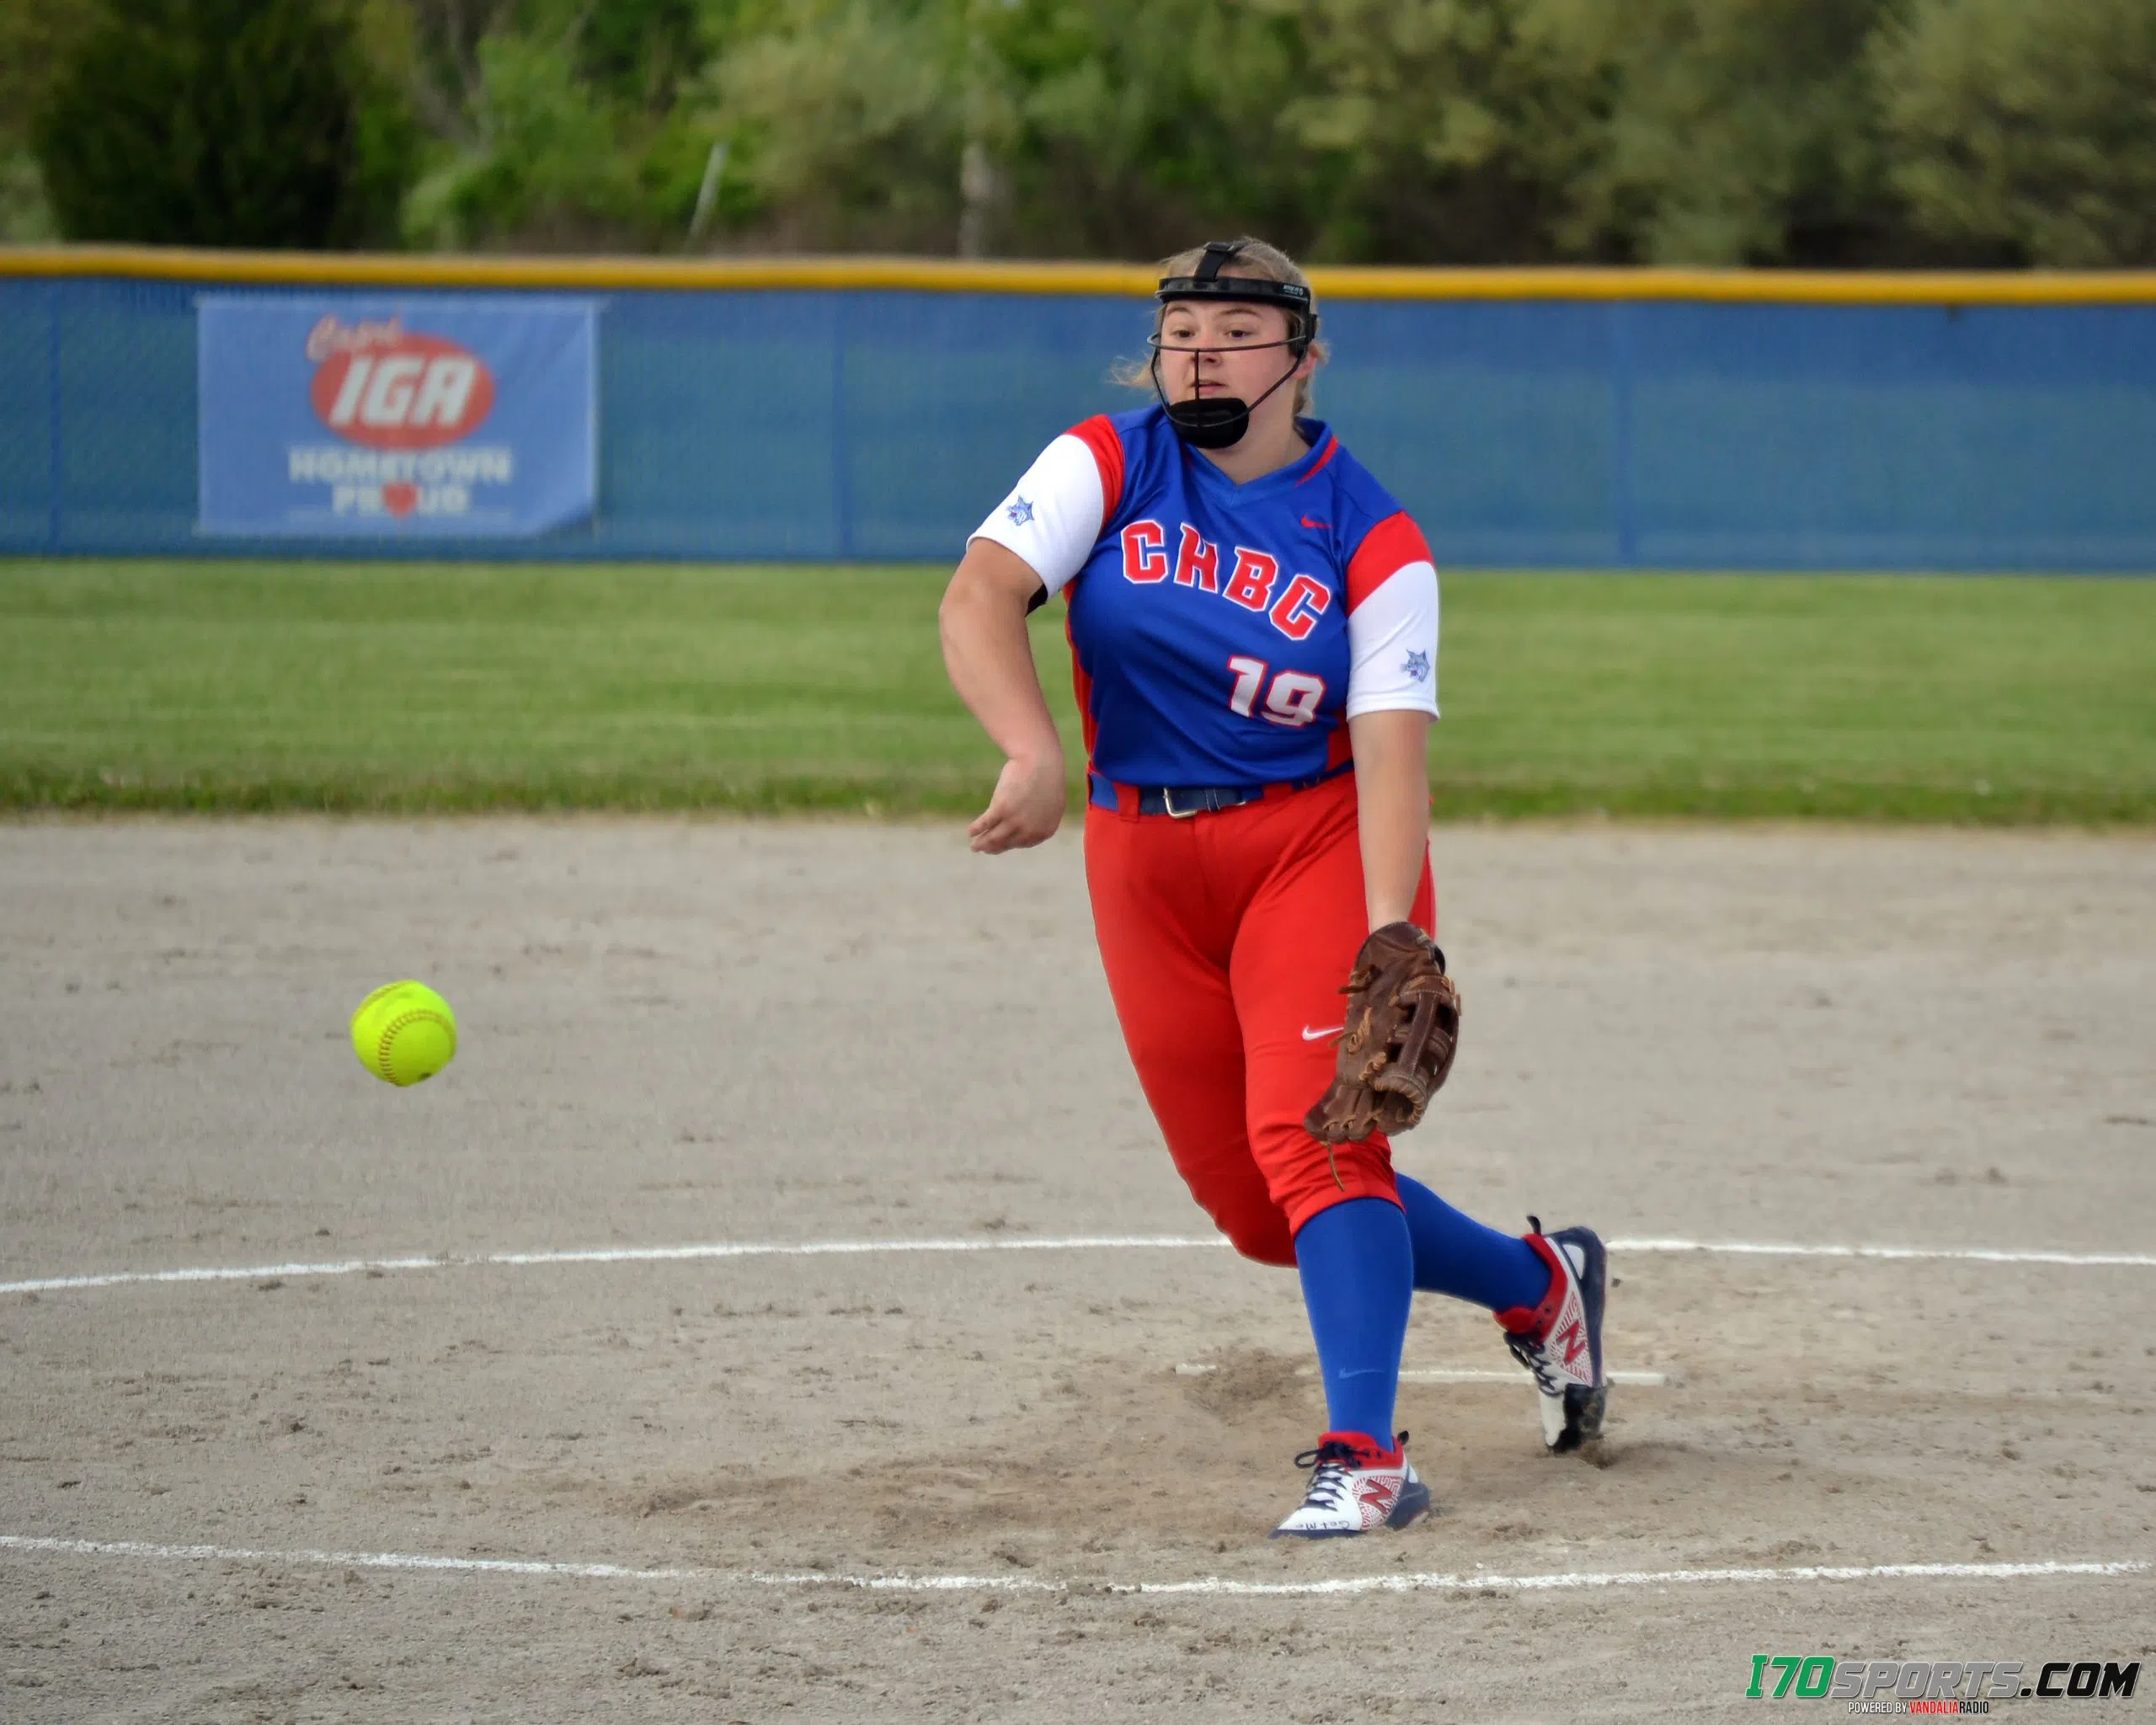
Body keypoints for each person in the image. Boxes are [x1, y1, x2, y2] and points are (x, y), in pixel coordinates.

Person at [938, 238, 1608, 1539]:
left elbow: (1389, 748)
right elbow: (982, 596)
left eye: (1236, 331)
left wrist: (1392, 930)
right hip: (1141, 857)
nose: (1201, 351)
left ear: (1304, 356)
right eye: (1182, 328)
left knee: (1320, 1144)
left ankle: (1366, 1458)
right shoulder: (1108, 461)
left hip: (1308, 838)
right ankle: (1543, 1290)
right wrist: (1031, 748)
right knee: (1260, 1210)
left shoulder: (1374, 535)